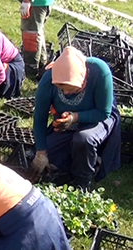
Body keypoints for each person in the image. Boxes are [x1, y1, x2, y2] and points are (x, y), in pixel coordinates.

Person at [31, 46, 121, 190]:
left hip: (99, 117)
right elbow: (40, 117)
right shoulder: (49, 79)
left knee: (83, 139)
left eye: (71, 88)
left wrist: (75, 117)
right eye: (61, 88)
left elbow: (103, 112)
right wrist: (41, 152)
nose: (66, 92)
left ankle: (82, 183)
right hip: (68, 121)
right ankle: (76, 165)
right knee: (51, 154)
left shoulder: (99, 72)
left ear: (83, 79)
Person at [19, 0, 55, 79]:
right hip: (43, 3)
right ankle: (42, 62)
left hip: (35, 3)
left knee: (31, 35)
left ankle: (31, 68)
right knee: (37, 32)